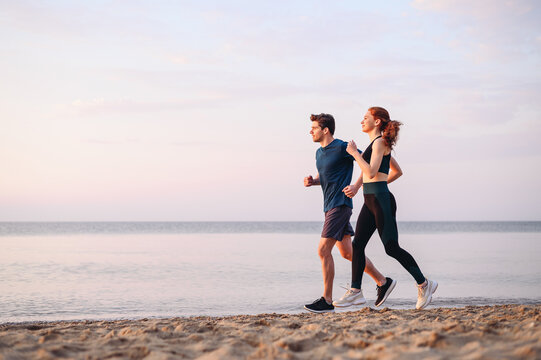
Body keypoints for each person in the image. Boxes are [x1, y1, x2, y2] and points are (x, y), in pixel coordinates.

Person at [339, 107, 437, 310]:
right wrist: (359, 185)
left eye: (365, 118)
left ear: (377, 122)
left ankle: (424, 284)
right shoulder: (376, 144)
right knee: (358, 245)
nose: (361, 121)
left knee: (391, 247)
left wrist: (354, 154)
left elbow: (372, 171)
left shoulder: (381, 143)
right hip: (370, 199)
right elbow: (394, 171)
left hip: (381, 200)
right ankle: (356, 292)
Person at [303, 113, 397, 313]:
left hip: (340, 205)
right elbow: (327, 176)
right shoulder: (319, 153)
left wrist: (356, 186)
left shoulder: (342, 146)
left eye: (314, 127)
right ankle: (383, 281)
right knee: (347, 252)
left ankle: (326, 301)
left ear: (325, 130)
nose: (310, 131)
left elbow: (370, 164)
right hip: (329, 206)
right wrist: (314, 181)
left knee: (323, 250)